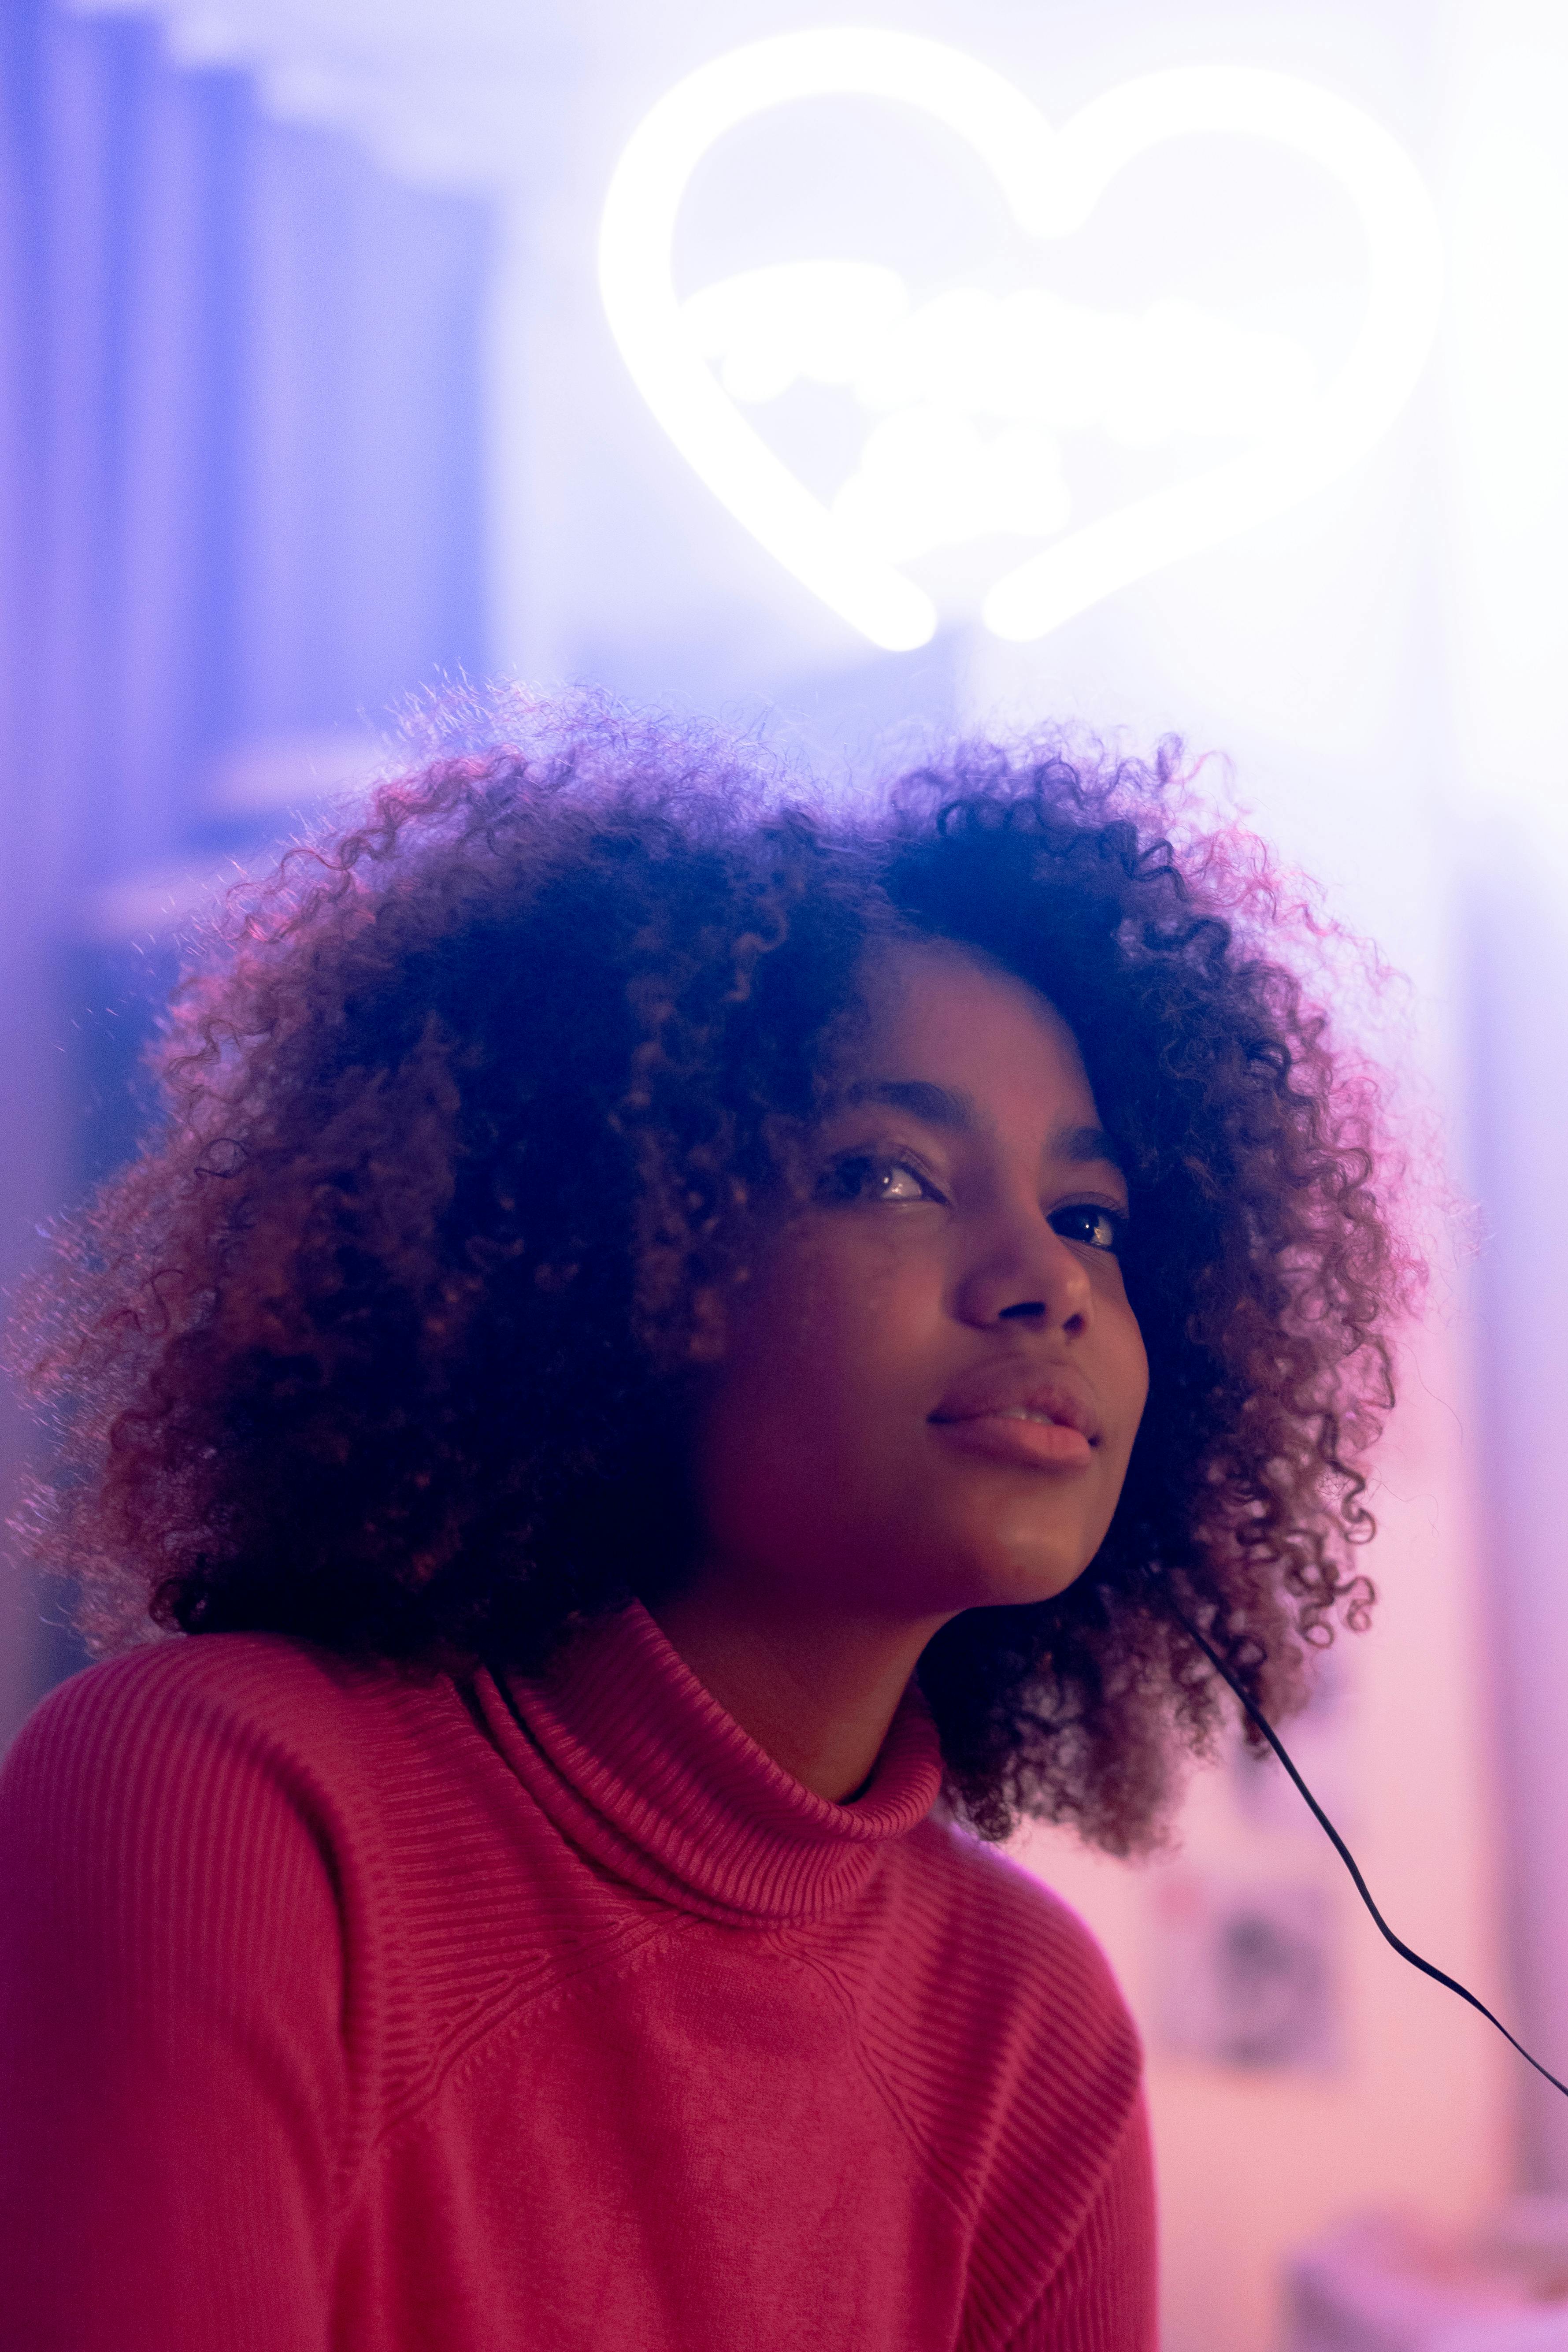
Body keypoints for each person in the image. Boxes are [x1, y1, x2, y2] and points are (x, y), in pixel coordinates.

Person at [0, 694, 1407, 2350]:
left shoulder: (1029, 2026)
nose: (1051, 1283)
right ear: (604, 1251)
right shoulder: (222, 1802)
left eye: (1091, 1215)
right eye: (889, 1172)